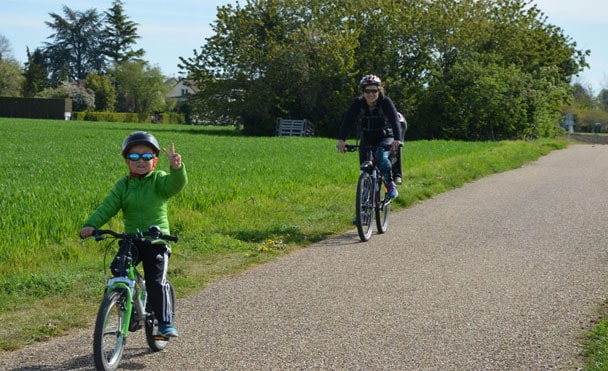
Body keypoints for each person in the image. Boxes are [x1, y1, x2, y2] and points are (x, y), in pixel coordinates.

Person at [80, 131, 187, 338]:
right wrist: (91, 225)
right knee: (118, 268)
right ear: (126, 161)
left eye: (146, 156)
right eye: (134, 156)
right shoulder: (123, 185)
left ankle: (165, 322)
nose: (140, 161)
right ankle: (126, 305)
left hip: (156, 240)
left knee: (155, 281)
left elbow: (176, 185)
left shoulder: (159, 180)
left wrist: (176, 169)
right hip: (132, 240)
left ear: (155, 160)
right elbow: (107, 207)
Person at [336, 74, 402, 198]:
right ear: (363, 92)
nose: (371, 94)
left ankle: (389, 183)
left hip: (385, 137)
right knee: (364, 170)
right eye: (367, 91)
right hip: (367, 138)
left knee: (381, 156)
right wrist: (341, 139)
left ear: (379, 90)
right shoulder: (358, 103)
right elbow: (348, 120)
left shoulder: (385, 102)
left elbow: (394, 121)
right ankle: (363, 212)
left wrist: (397, 139)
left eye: (374, 91)